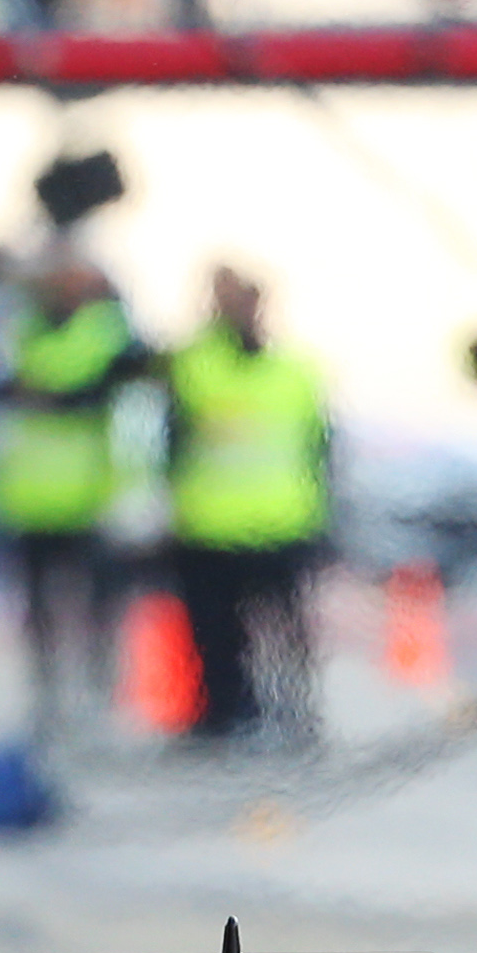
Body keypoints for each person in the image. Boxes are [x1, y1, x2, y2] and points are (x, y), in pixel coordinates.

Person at [165, 262, 331, 748]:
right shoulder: (190, 364)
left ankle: (293, 715)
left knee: (285, 634)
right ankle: (224, 718)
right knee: (216, 637)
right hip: (208, 524)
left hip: (280, 523)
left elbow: (320, 447)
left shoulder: (296, 371)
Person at [0, 244, 145, 738]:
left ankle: (102, 696)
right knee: (39, 611)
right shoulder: (17, 330)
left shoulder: (106, 332)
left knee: (98, 605)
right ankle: (48, 700)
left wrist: (50, 396)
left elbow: (113, 383)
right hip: (27, 498)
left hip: (87, 497)